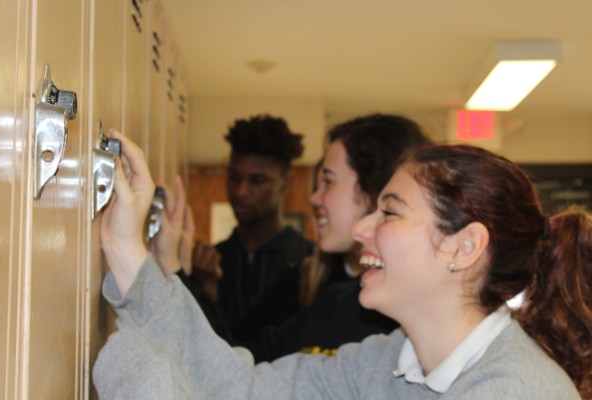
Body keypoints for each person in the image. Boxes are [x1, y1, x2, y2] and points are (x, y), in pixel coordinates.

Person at [95, 132, 590, 399]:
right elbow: (239, 386)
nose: (361, 229)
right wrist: (126, 249)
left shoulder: (517, 392)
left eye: (389, 212)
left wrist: (137, 373)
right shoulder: (387, 362)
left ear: (463, 248)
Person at [248, 114, 431, 361]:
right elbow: (251, 364)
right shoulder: (332, 298)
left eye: (328, 182)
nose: (314, 198)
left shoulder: (414, 313)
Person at [187, 114, 314, 342]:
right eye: (235, 177)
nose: (241, 191)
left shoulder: (310, 261)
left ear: (286, 182)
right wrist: (207, 289)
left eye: (257, 181)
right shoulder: (211, 262)